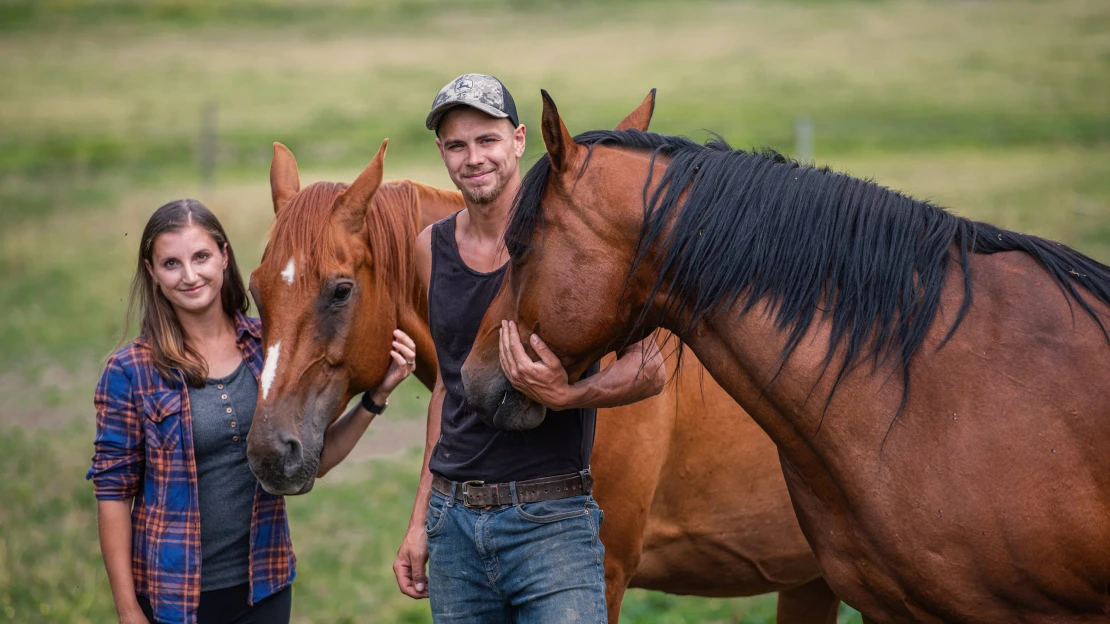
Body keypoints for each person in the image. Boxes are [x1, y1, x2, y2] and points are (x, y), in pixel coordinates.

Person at [392, 74, 667, 623]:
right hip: (456, 526)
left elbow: (650, 368)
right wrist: (420, 520)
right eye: (457, 145)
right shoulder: (430, 249)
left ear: (519, 140)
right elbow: (447, 386)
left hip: (552, 523)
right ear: (443, 154)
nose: (474, 158)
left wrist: (569, 394)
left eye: (487, 140)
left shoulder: (574, 243)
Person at [87, 199, 415, 624]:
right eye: (171, 263)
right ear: (152, 273)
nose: (190, 276)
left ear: (224, 256)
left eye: (201, 257)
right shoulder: (130, 371)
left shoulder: (266, 349)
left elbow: (310, 463)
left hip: (264, 588)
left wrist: (376, 397)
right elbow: (113, 495)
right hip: (173, 599)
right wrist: (129, 610)